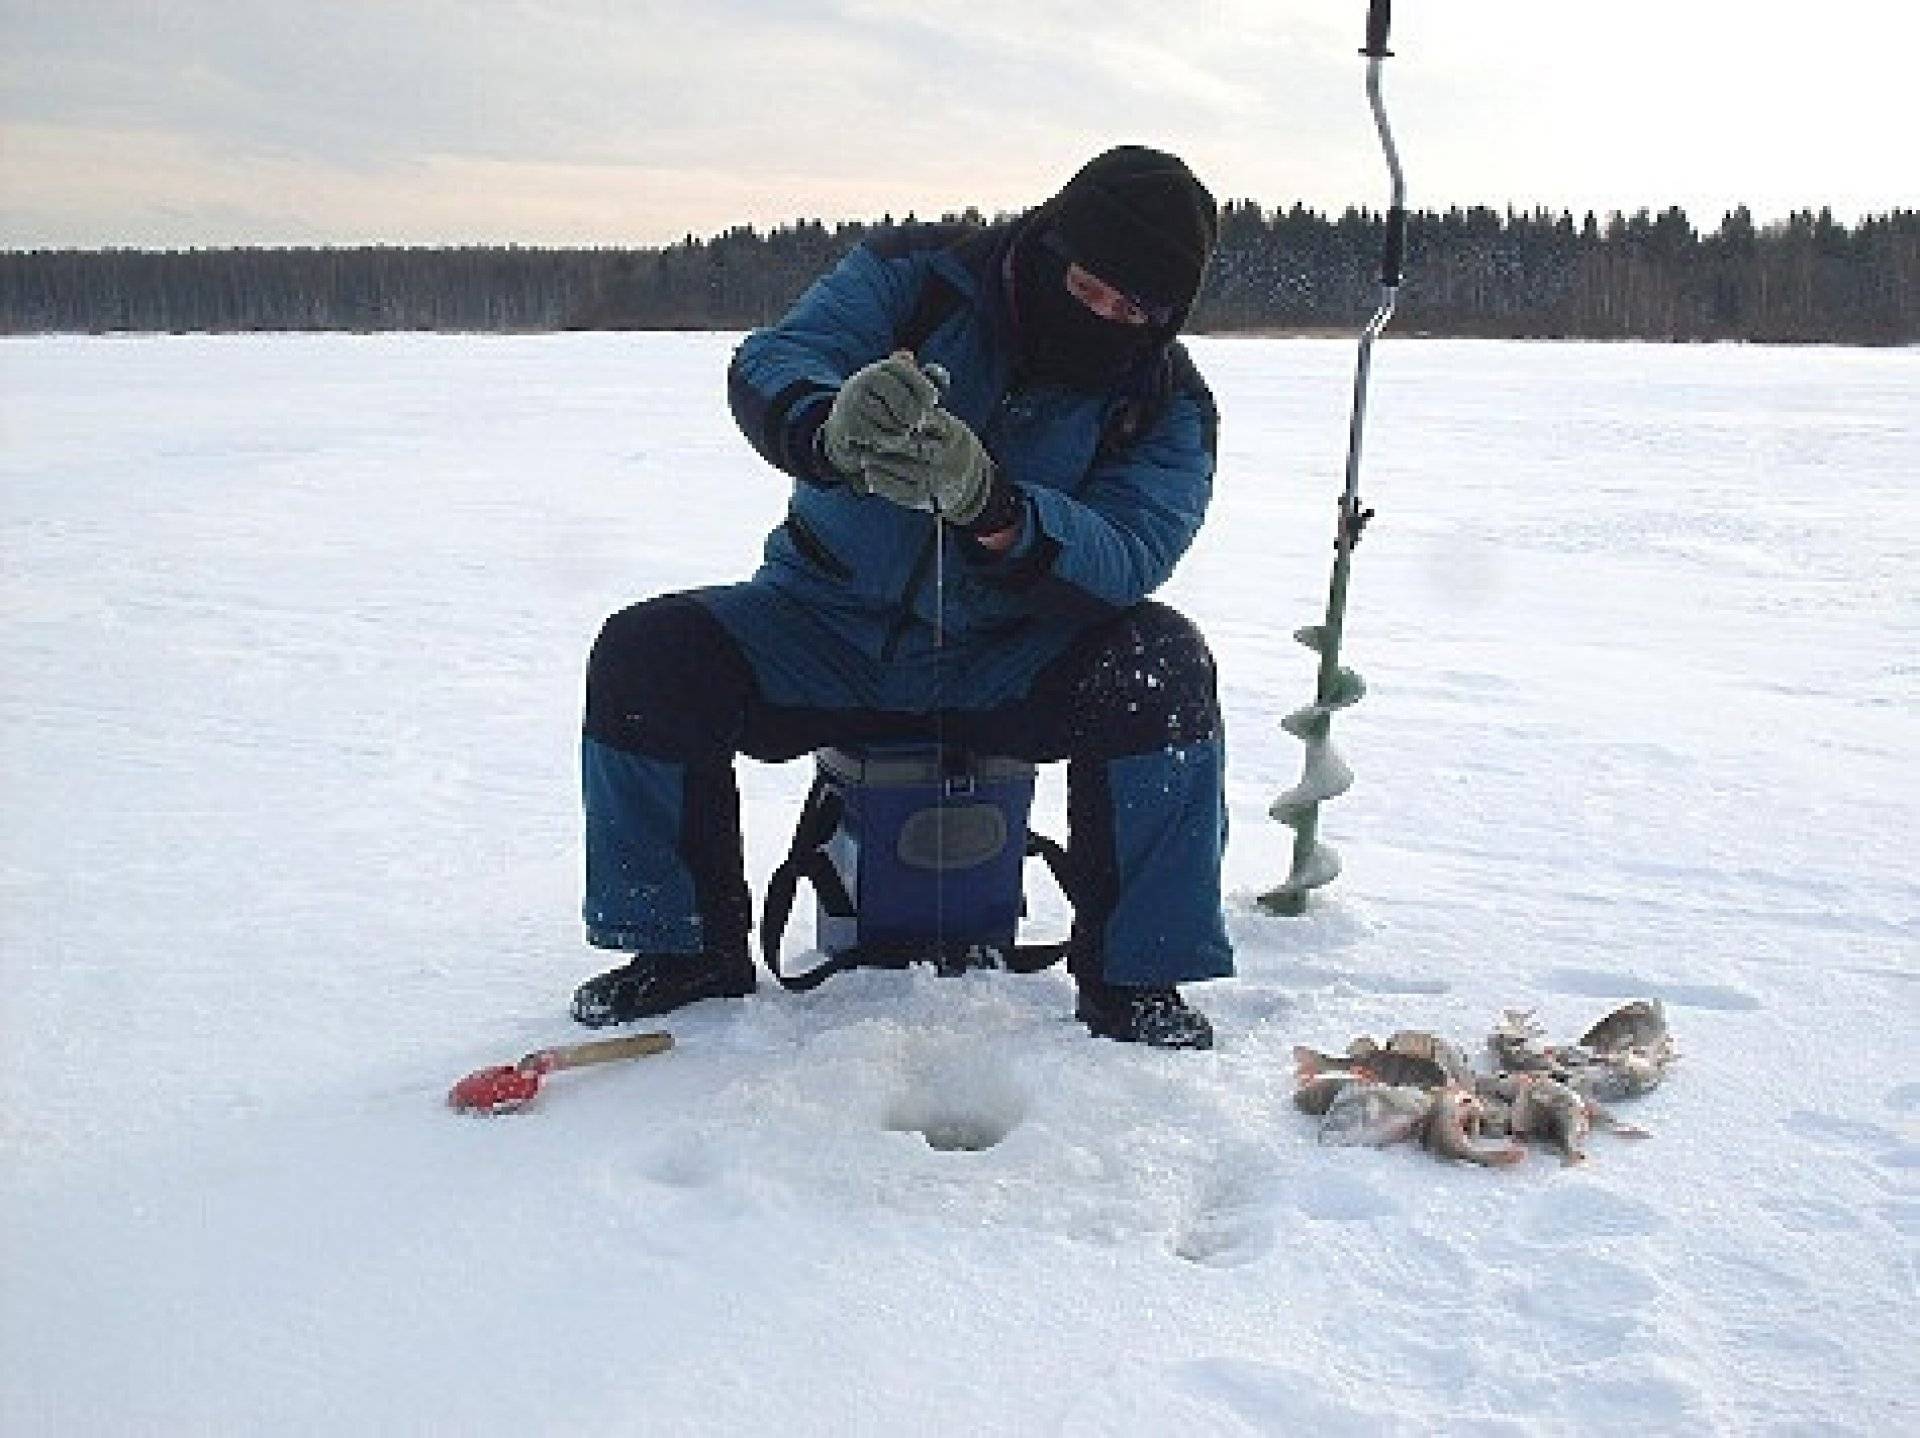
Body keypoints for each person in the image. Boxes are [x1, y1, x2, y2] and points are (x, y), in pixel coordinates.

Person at [573, 144, 1232, 1048]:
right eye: (1090, 288)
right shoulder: (916, 276)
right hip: (820, 627)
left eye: (1136, 310)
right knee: (647, 655)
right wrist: (829, 423)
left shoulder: (1167, 400)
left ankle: (1137, 978)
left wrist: (996, 508)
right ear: (1050, 245)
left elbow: (1131, 548)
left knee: (1162, 663)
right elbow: (778, 358)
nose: (1107, 318)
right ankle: (680, 950)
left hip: (1004, 659)